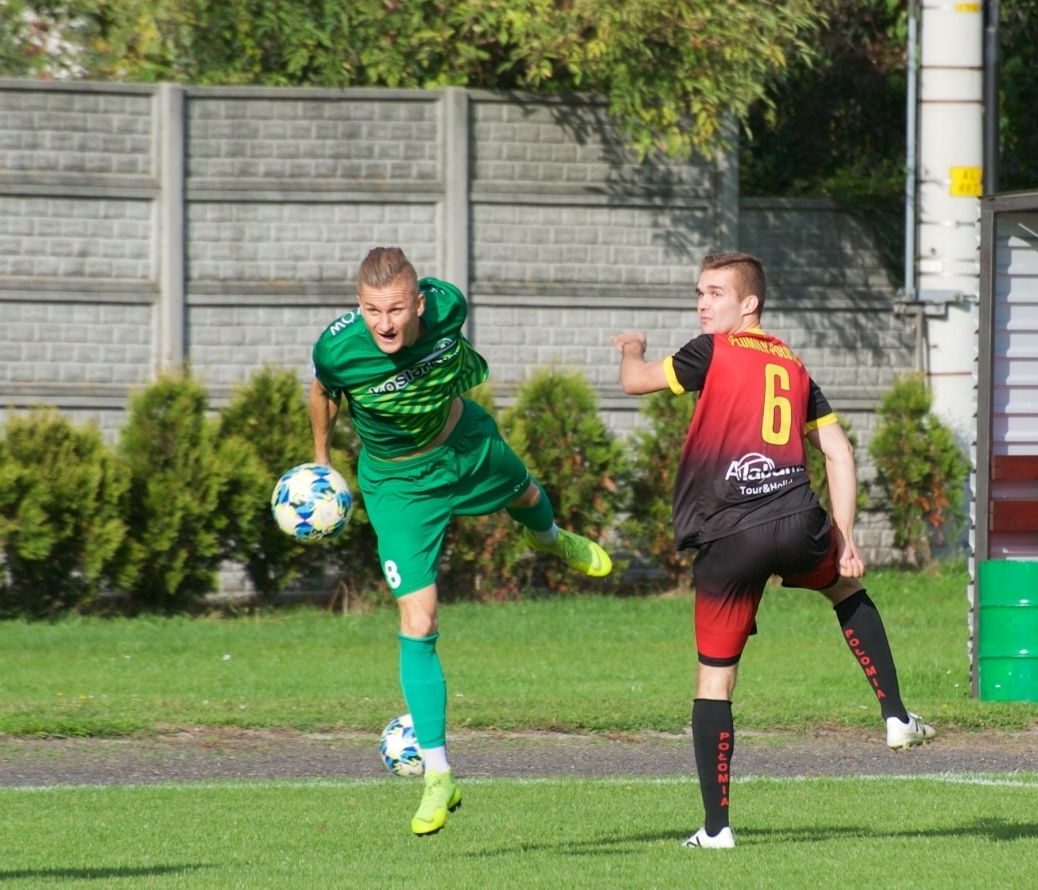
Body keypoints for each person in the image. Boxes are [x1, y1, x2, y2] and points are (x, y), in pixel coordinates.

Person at [609, 251, 935, 849]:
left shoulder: (712, 352)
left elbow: (635, 382)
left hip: (729, 535)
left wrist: (630, 346)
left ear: (748, 303)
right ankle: (894, 714)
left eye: (713, 294)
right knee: (845, 587)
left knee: (715, 682)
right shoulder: (794, 364)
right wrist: (843, 535)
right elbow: (839, 453)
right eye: (699, 294)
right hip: (795, 519)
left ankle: (717, 829)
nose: (702, 304)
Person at [310, 246, 612, 836]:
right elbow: (322, 391)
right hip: (399, 486)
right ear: (359, 306)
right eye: (372, 310)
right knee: (418, 622)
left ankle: (552, 539)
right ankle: (439, 776)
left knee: (526, 497)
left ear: (419, 303)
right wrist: (321, 462)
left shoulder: (449, 307)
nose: (385, 324)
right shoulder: (337, 349)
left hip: (464, 445)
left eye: (396, 309)